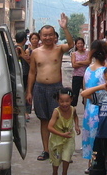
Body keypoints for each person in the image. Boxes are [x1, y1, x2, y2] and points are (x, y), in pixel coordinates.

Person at [26, 14, 74, 161]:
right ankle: (46, 150)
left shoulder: (59, 49)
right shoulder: (35, 52)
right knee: (44, 120)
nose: (47, 38)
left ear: (55, 36)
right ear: (40, 36)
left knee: (59, 119)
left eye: (50, 35)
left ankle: (60, 149)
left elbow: (71, 44)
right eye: (45, 35)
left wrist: (65, 28)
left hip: (56, 89)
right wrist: (29, 91)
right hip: (39, 88)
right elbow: (32, 72)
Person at [81, 41, 107, 175]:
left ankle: (91, 169)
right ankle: (95, 173)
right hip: (100, 109)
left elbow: (85, 89)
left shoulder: (88, 69)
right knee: (98, 141)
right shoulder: (105, 71)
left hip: (89, 109)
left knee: (90, 140)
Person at [47, 88, 81, 175]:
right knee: (56, 160)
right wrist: (61, 134)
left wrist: (77, 125)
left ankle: (64, 174)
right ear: (58, 101)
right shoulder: (56, 112)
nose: (64, 104)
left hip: (69, 138)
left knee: (66, 157)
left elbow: (75, 116)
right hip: (57, 140)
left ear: (71, 100)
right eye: (61, 101)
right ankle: (54, 173)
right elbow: (49, 127)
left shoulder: (73, 109)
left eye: (67, 101)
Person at [15, 31, 32, 121]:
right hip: (22, 74)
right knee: (23, 93)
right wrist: (24, 55)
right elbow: (27, 61)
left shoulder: (14, 47)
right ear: (25, 39)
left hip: (20, 74)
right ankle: (23, 113)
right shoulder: (19, 48)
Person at [70, 38, 90, 107]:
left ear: (84, 44)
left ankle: (86, 112)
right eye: (78, 43)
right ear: (76, 45)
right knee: (74, 95)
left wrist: (78, 62)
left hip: (86, 76)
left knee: (86, 95)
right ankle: (72, 113)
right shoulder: (74, 54)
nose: (80, 45)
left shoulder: (88, 53)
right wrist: (84, 63)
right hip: (76, 76)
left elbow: (88, 62)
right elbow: (74, 65)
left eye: (81, 43)